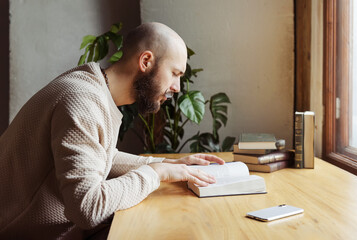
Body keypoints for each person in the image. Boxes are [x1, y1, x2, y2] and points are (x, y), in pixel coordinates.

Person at [0, 22, 225, 239]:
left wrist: (167, 164)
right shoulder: (82, 101)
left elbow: (99, 156)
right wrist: (156, 173)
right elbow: (87, 209)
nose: (176, 88)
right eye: (175, 73)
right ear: (146, 61)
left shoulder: (93, 88)